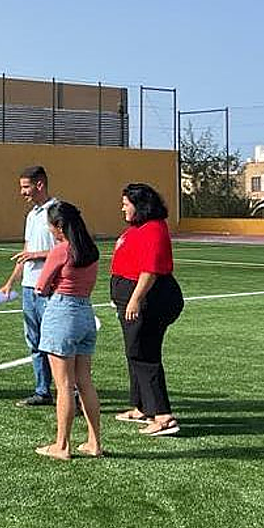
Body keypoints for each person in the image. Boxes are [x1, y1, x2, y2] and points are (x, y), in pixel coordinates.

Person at [110, 183, 184, 436]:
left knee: (144, 353)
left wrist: (134, 299)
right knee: (134, 352)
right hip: (132, 296)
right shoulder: (139, 228)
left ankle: (164, 416)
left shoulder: (154, 230)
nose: (122, 208)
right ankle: (142, 407)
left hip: (150, 299)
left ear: (140, 205)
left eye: (126, 204)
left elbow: (150, 270)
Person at [33, 202, 103, 460]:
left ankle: (62, 445)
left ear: (60, 226)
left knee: (64, 385)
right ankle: (95, 442)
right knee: (85, 382)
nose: (50, 230)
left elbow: (41, 286)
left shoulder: (62, 250)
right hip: (85, 311)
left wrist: (49, 286)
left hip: (62, 311)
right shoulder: (90, 249)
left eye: (51, 225)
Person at [0, 166, 58, 407]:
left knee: (56, 343)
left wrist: (37, 255)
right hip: (28, 288)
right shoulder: (32, 215)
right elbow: (26, 252)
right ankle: (43, 391)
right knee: (34, 342)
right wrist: (10, 282)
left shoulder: (57, 211)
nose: (21, 192)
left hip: (50, 288)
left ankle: (72, 394)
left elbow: (67, 249)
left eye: (25, 187)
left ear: (39, 185)